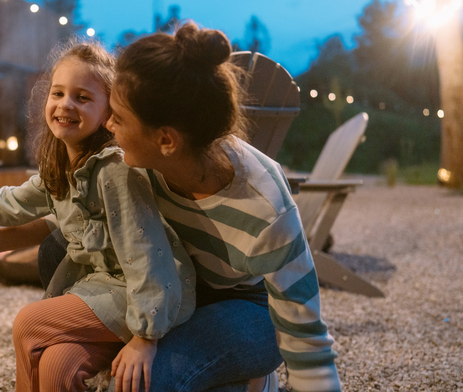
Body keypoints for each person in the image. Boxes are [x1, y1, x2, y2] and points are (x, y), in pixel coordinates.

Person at [38, 23, 342, 392]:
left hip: (246, 306)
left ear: (166, 139)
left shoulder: (265, 208)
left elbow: (306, 336)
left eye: (119, 116)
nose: (107, 123)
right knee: (56, 250)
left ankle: (249, 380)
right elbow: (74, 214)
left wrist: (147, 341)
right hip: (176, 286)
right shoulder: (135, 164)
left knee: (138, 383)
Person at [0, 40, 196, 392]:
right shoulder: (61, 167)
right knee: (56, 365)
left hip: (143, 296)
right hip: (101, 288)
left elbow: (148, 254)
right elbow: (11, 203)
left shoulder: (115, 170)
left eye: (83, 97)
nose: (65, 104)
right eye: (58, 93)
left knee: (28, 321)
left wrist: (146, 336)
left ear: (108, 113)